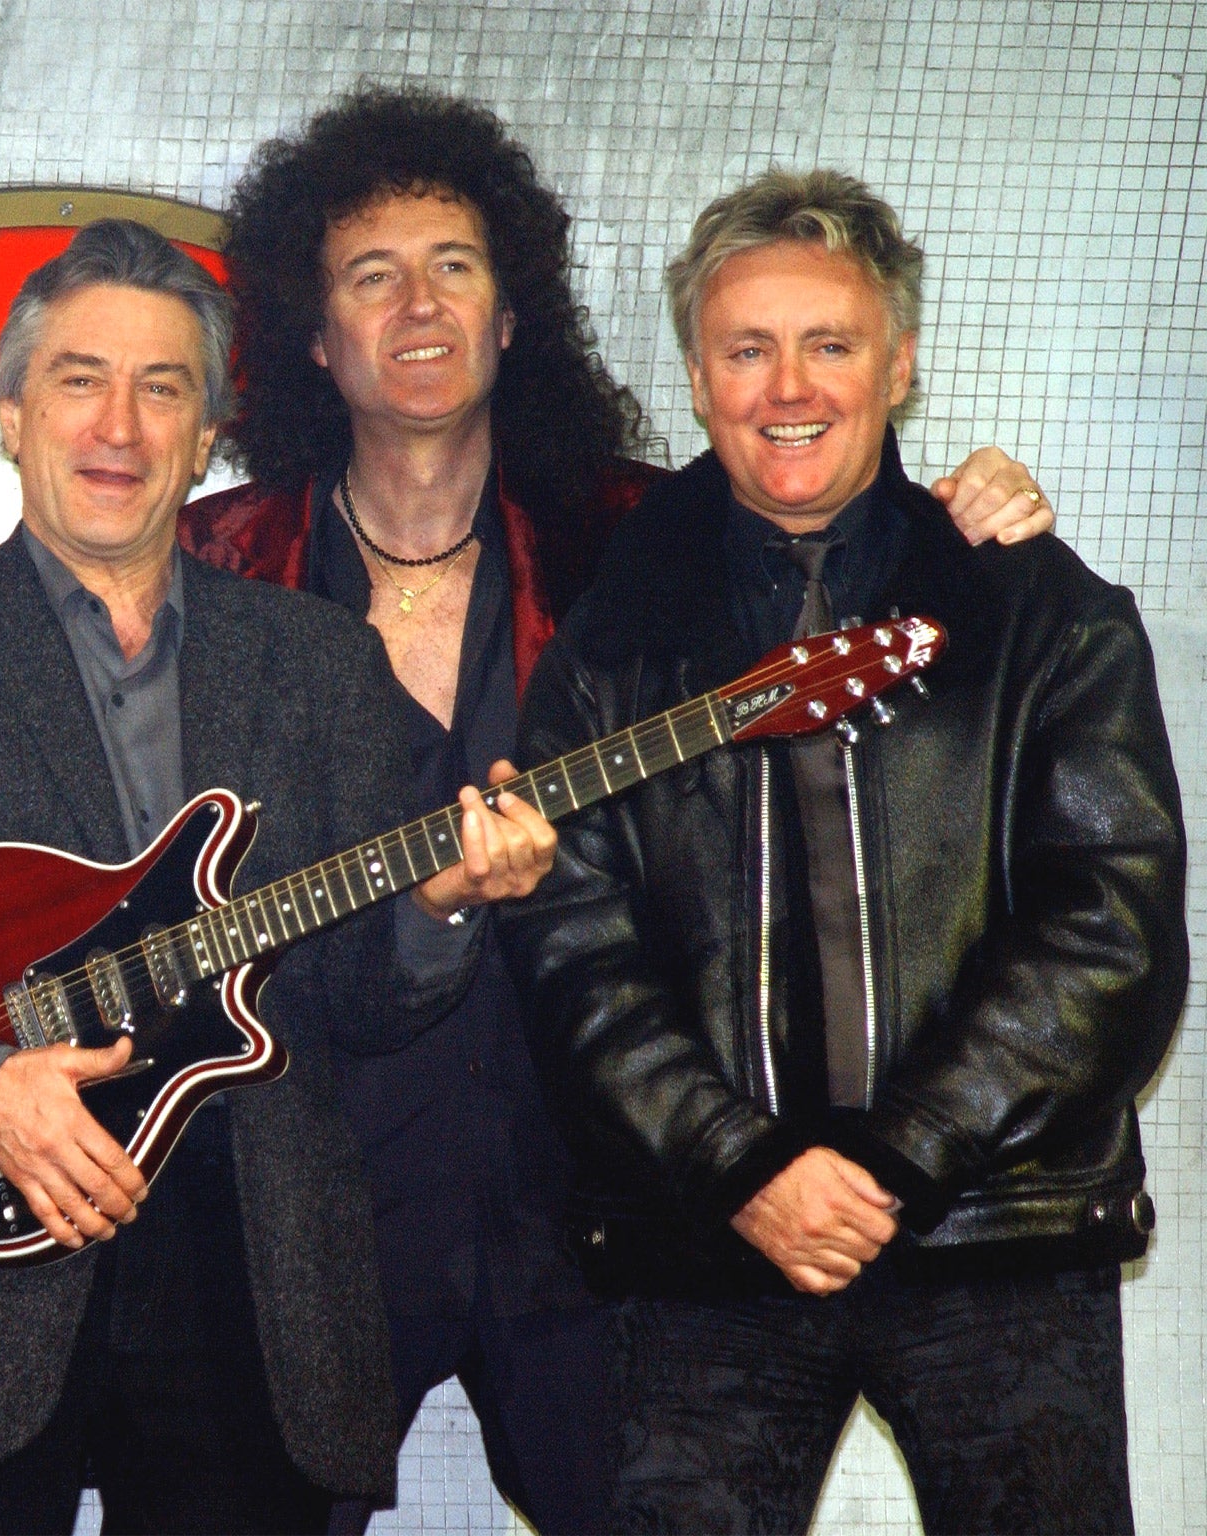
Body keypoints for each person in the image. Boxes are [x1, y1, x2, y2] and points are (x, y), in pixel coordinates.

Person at [0, 87, 1056, 1534]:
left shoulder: (644, 539)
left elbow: (821, 496)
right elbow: (22, 791)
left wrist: (960, 507)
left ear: (513, 310)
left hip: (596, 1185)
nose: (418, 305)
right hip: (318, 1208)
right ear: (314, 334)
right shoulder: (217, 563)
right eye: (370, 274)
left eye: (455, 266)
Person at [0, 218, 558, 1535]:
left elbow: (362, 1003)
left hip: (255, 1282)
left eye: (163, 387)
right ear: (8, 413)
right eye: (78, 378)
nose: (119, 422)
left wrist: (441, 910)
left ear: (208, 431)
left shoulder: (321, 663)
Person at [501, 168, 1186, 1534]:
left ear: (901, 364)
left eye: (830, 343)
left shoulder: (1045, 610)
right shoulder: (607, 634)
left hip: (998, 1238)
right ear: (697, 377)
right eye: (747, 349)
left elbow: (1110, 926)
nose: (787, 386)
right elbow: (572, 948)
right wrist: (745, 1170)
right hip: (710, 1253)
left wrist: (897, 1163)